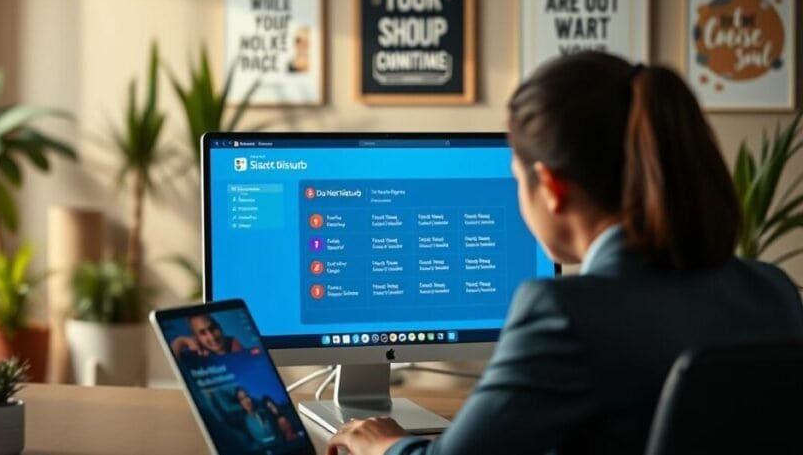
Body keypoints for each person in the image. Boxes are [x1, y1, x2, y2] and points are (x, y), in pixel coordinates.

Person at [327, 52, 803, 455]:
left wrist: (385, 444)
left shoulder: (564, 314)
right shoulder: (772, 289)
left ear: (551, 188)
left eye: (517, 180)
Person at [170, 314, 244, 358]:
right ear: (196, 338)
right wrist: (181, 341)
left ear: (220, 327)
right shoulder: (196, 356)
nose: (212, 337)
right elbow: (172, 360)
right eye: (202, 333)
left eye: (213, 328)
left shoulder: (232, 343)